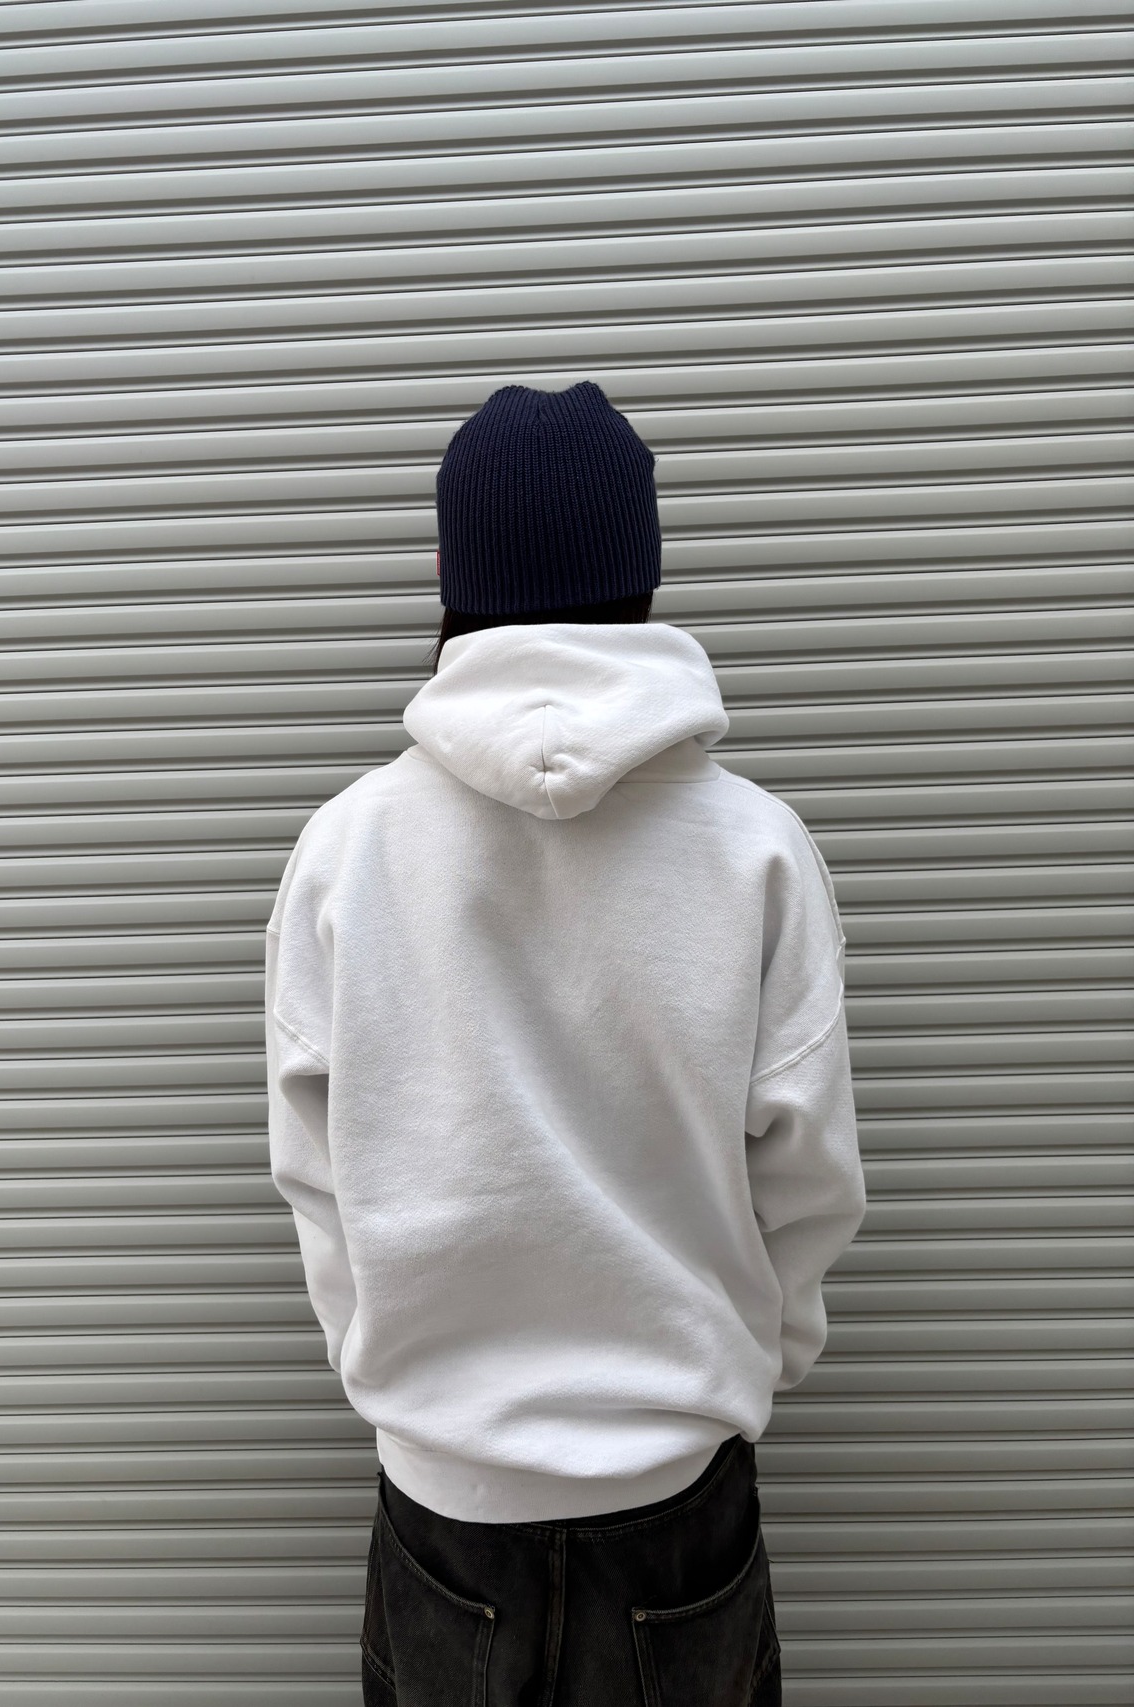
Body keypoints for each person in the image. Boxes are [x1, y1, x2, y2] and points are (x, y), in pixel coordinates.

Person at [264, 380, 867, 1706]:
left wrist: (410, 1384)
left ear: (451, 576)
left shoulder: (348, 850)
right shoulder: (756, 848)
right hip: (678, 1497)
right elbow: (811, 1177)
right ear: (640, 575)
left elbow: (314, 1176)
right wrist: (727, 1373)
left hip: (443, 1502)